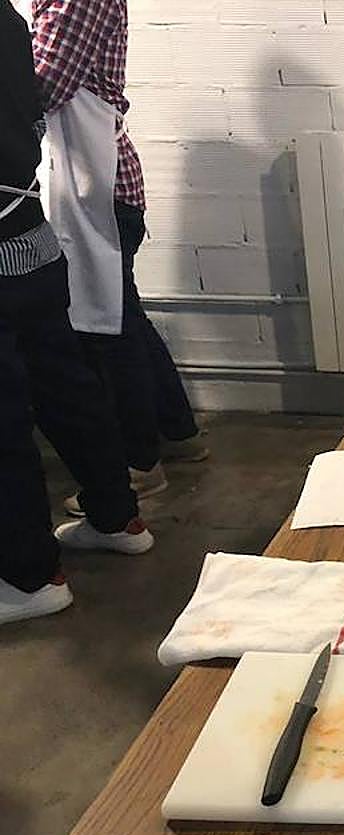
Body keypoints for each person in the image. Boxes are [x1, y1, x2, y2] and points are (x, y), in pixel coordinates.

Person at [1, 2, 153, 626]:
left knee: (9, 413)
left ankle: (28, 576)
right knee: (67, 382)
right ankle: (116, 515)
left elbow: (50, 83)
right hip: (29, 233)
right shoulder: (8, 18)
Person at [31, 0, 206, 518]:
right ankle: (178, 433)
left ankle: (139, 463)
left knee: (107, 327)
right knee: (123, 315)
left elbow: (41, 86)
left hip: (94, 186)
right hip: (98, 182)